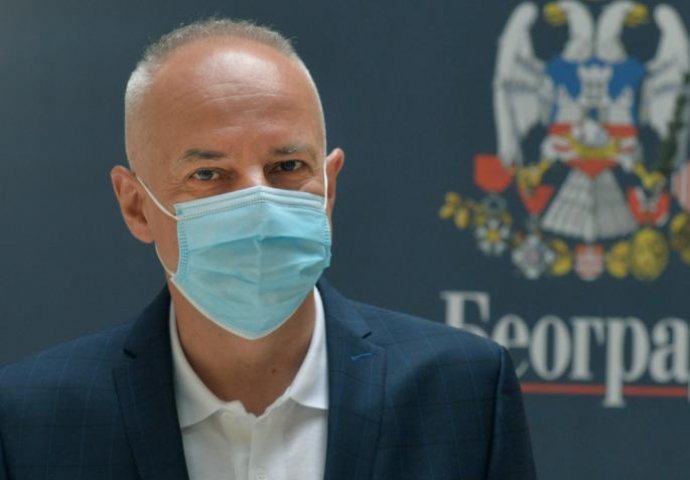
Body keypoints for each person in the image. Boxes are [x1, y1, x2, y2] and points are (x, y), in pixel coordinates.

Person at [0, 18, 536, 480]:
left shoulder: (462, 393)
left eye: (287, 167)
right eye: (208, 174)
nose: (257, 203)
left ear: (328, 187)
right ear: (136, 205)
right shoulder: (31, 419)